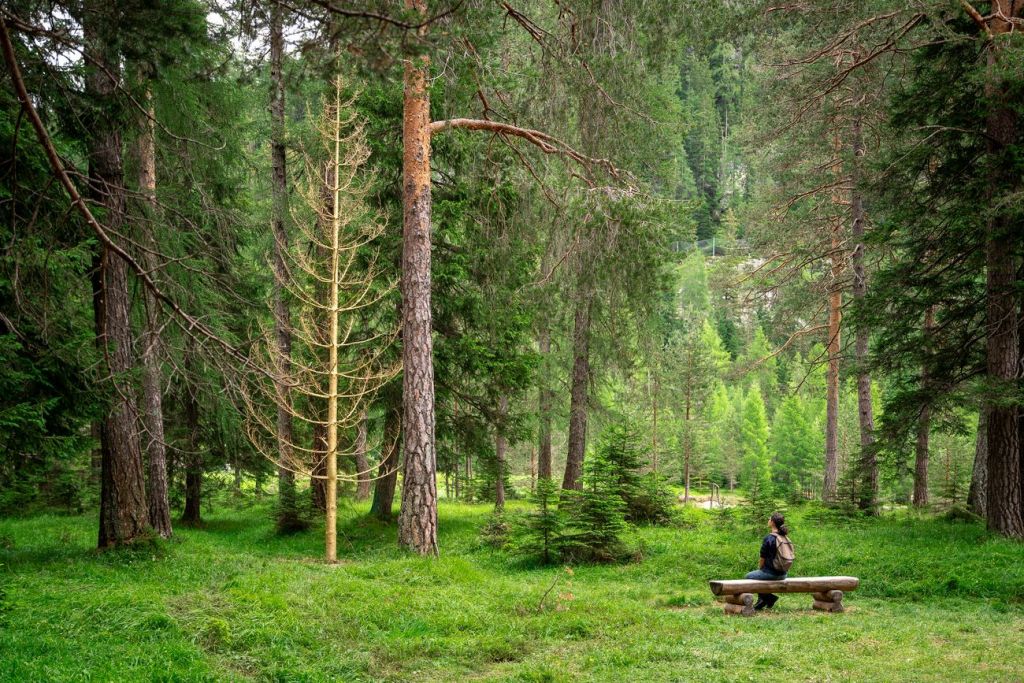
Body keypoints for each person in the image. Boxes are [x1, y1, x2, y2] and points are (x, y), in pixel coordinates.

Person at [744, 511, 790, 611]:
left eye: (769, 519)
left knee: (748, 577)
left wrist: (761, 569)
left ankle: (770, 598)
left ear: (772, 522)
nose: (768, 521)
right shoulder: (784, 536)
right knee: (758, 576)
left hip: (770, 573)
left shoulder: (769, 538)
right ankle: (762, 600)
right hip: (783, 574)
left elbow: (762, 557)